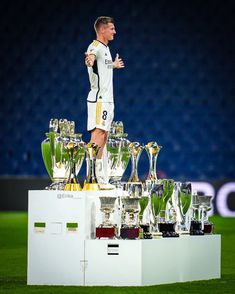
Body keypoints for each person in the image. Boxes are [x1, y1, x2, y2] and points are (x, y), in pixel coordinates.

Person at [85, 16, 124, 189]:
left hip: (108, 100)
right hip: (100, 99)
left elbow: (102, 66)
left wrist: (113, 65)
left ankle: (101, 177)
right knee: (98, 135)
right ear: (102, 30)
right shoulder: (95, 46)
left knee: (105, 136)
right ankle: (93, 178)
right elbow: (91, 56)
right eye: (111, 28)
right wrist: (89, 59)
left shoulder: (106, 49)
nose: (114, 31)